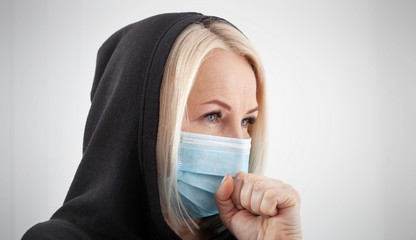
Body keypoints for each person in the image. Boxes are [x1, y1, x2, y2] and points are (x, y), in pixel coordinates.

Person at [22, 12, 302, 240]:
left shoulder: (247, 235)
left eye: (247, 121)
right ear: (141, 123)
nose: (239, 142)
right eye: (213, 116)